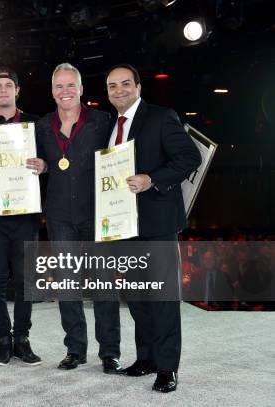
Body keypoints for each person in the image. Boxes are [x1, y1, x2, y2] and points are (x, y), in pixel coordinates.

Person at [105, 63, 201, 392]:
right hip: (124, 224)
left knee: (161, 298)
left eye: (125, 84)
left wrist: (152, 180)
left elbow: (190, 157)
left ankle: (167, 367)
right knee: (135, 296)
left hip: (158, 223)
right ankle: (146, 357)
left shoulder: (161, 117)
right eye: (112, 86)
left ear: (138, 87)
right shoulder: (109, 127)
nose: (119, 90)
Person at [34, 63, 122, 374]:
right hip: (59, 214)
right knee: (67, 284)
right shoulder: (43, 125)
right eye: (59, 86)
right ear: (52, 91)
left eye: (71, 85)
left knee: (104, 284)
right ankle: (75, 349)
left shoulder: (102, 121)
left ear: (81, 89)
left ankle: (110, 352)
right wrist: (43, 166)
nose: (65, 91)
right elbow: (40, 162)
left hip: (97, 214)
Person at [0, 67, 42, 366]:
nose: (3, 90)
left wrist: (45, 165)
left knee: (26, 280)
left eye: (8, 85)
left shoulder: (35, 124)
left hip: (26, 213)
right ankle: (3, 339)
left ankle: (22, 339)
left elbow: (50, 163)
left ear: (17, 90)